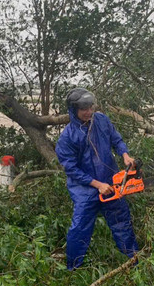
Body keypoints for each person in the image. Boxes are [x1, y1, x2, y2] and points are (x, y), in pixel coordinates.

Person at [55, 88, 139, 270]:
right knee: (80, 229)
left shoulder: (101, 120)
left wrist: (125, 155)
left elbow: (116, 139)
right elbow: (71, 169)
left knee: (122, 222)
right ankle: (74, 269)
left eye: (90, 107)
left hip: (110, 182)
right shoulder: (67, 137)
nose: (88, 112)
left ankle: (134, 261)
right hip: (84, 189)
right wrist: (97, 184)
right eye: (83, 109)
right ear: (73, 110)